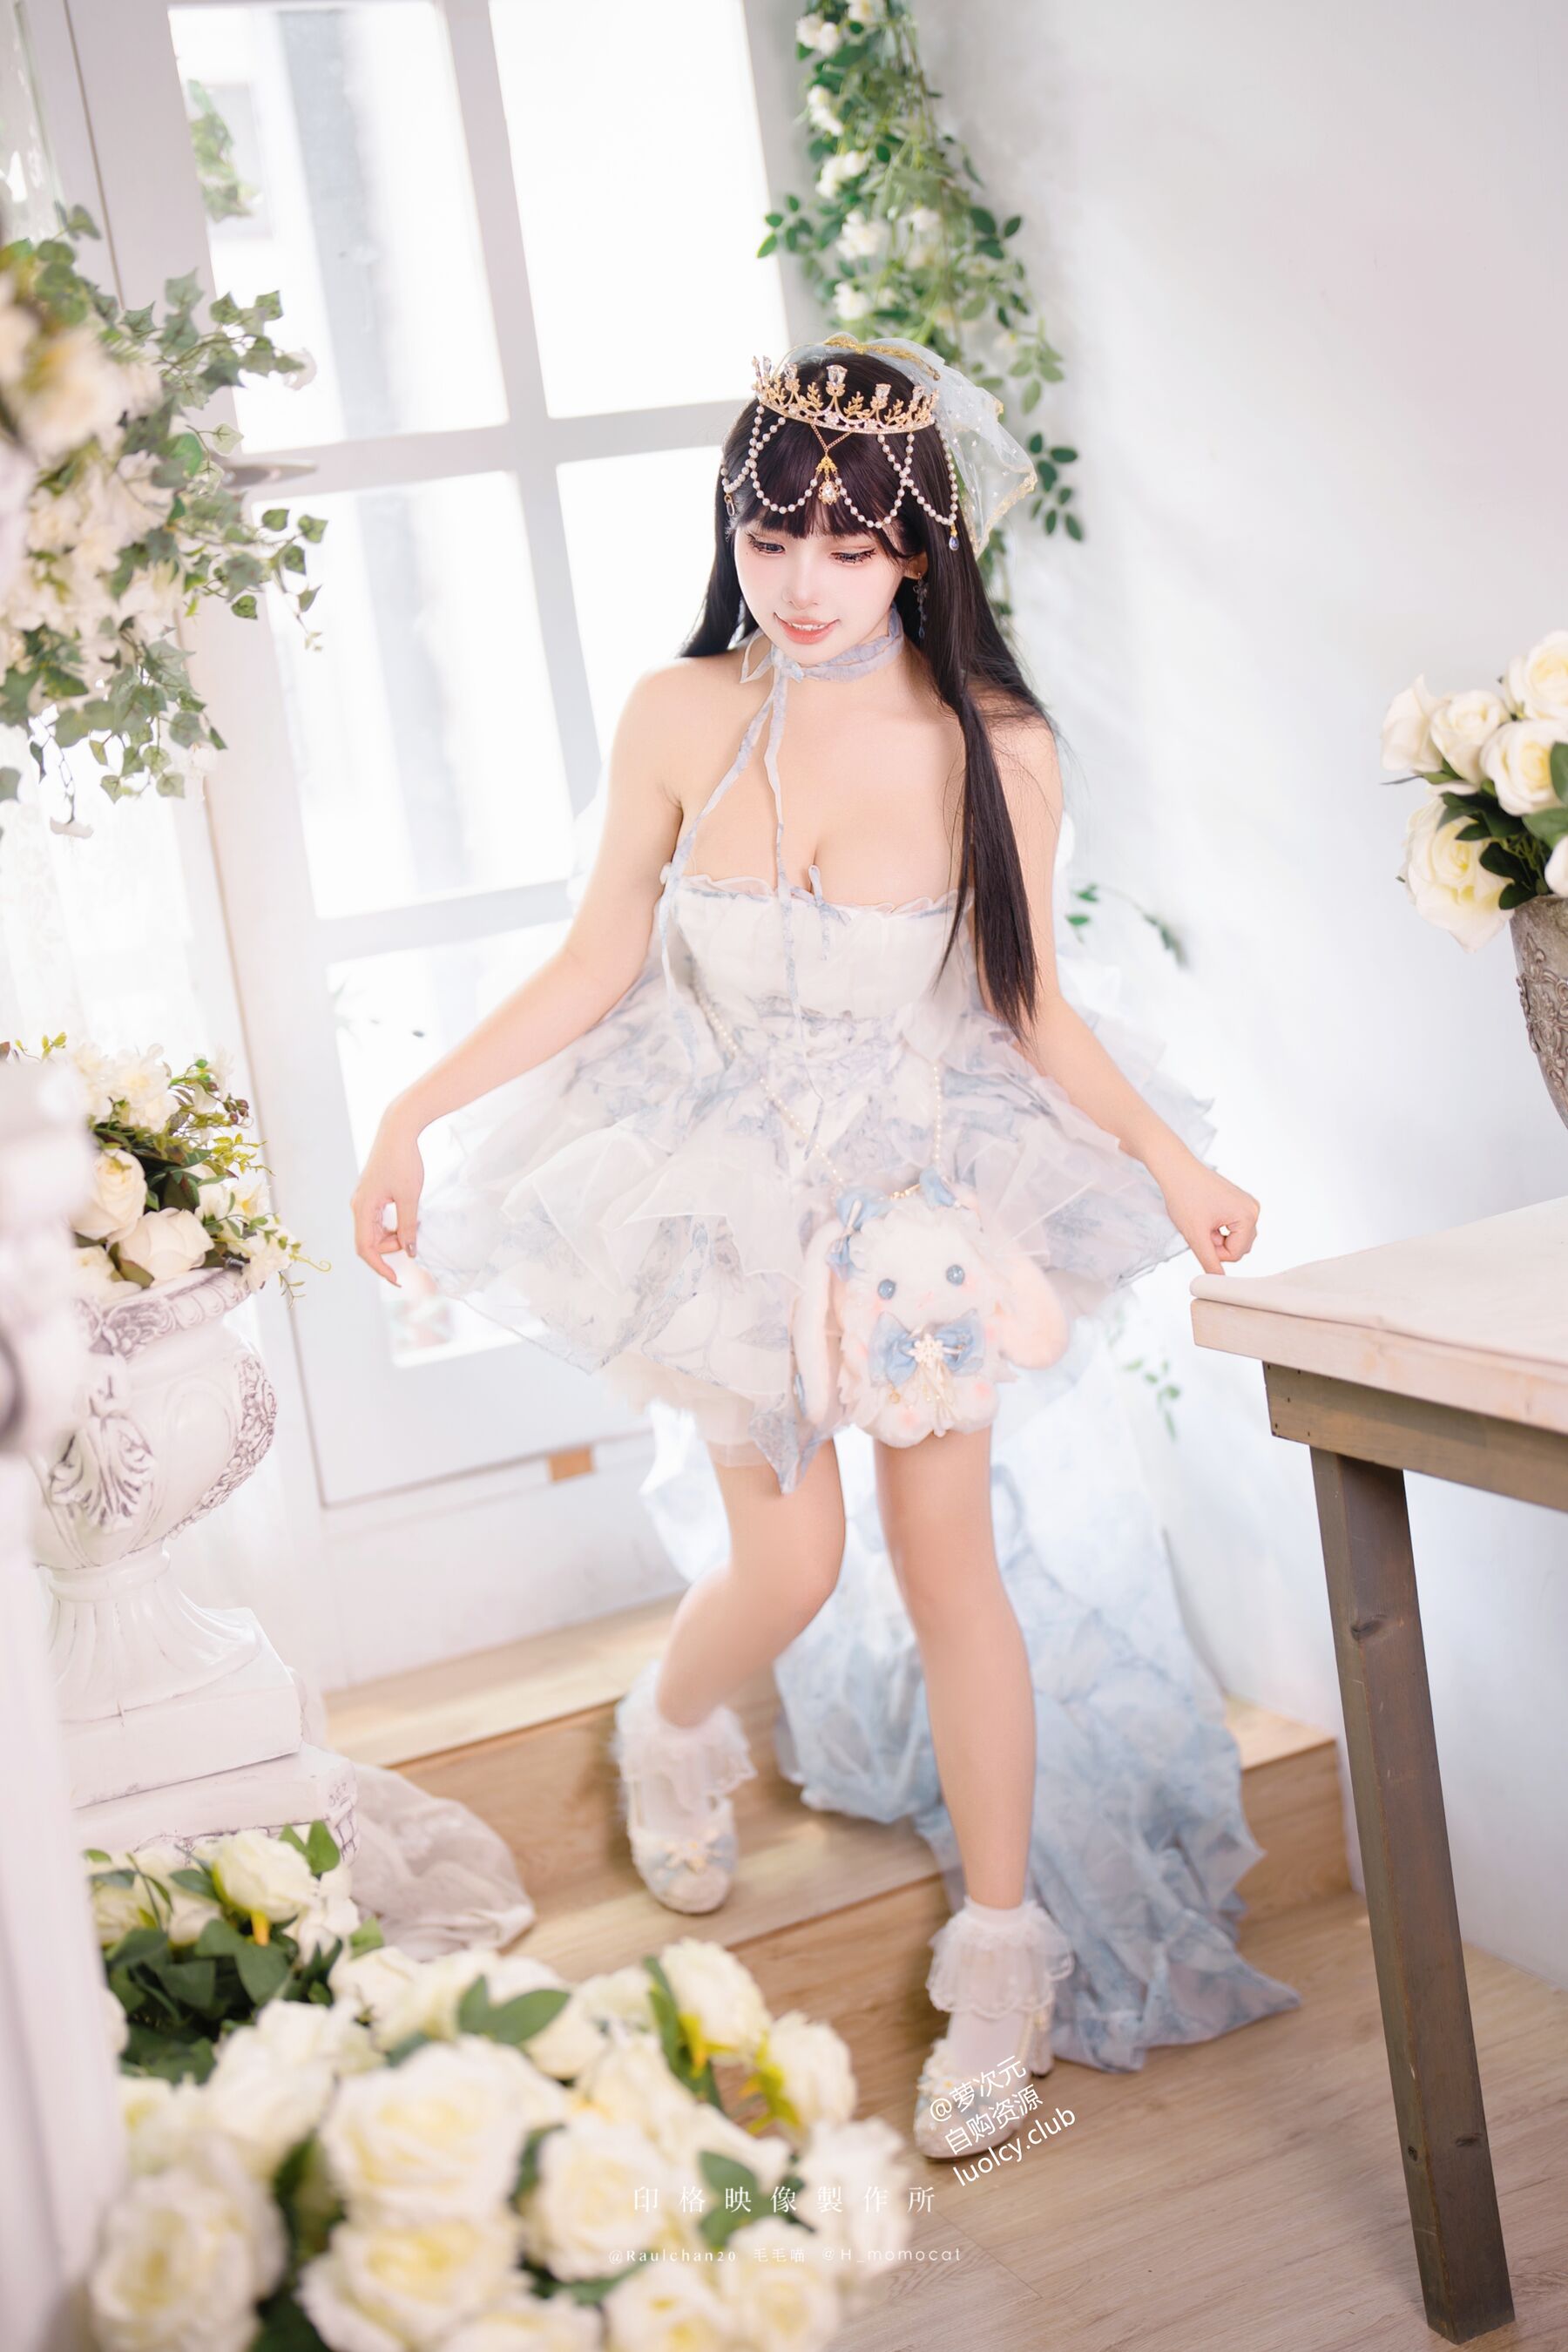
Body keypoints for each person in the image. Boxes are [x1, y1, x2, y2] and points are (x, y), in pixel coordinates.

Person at [349, 335, 1274, 2160]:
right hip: (721, 1197)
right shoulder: (680, 712)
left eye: (849, 545)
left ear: (918, 550)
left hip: (925, 1199)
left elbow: (1028, 1001)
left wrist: (1170, 1159)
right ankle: (669, 1724)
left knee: (952, 1571)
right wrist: (412, 1110)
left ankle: (1001, 1969)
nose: (802, 577)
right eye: (771, 534)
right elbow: (599, 957)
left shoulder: (997, 746)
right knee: (787, 1565)